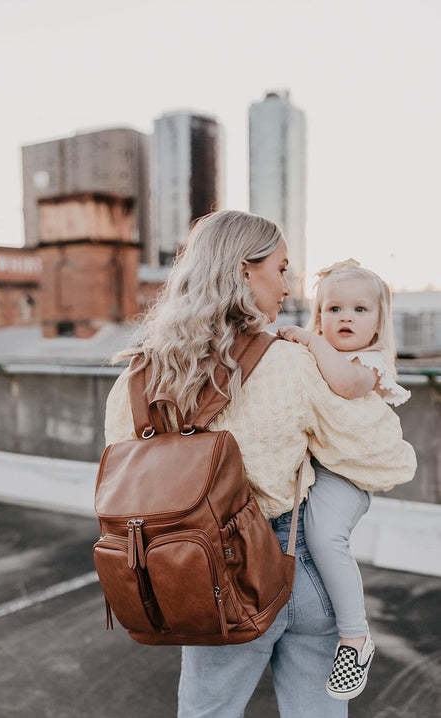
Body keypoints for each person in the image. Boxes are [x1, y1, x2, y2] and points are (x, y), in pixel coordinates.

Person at [104, 210, 416, 717]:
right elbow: (385, 461)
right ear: (246, 272)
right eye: (281, 269)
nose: (288, 286)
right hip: (296, 564)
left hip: (199, 578)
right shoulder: (291, 361)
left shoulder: (137, 377)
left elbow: (122, 485)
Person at [276, 259, 411, 701]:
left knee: (324, 535)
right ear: (320, 314)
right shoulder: (317, 354)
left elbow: (347, 385)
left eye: (359, 310)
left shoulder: (369, 362)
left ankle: (355, 637)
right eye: (333, 310)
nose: (346, 318)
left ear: (378, 321)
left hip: (349, 473)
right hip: (322, 467)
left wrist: (312, 341)